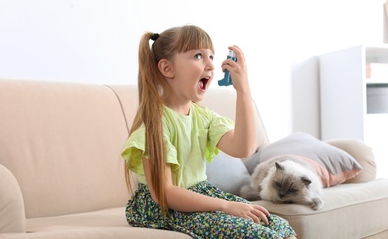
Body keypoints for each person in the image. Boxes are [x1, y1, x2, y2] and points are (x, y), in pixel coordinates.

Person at [121, 25, 296, 238]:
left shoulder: (203, 117)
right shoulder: (155, 125)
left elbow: (244, 148)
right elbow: (165, 193)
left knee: (279, 226)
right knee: (260, 234)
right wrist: (225, 206)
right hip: (165, 207)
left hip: (200, 194)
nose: (211, 65)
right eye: (198, 55)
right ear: (167, 68)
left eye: (211, 56)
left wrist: (243, 90)